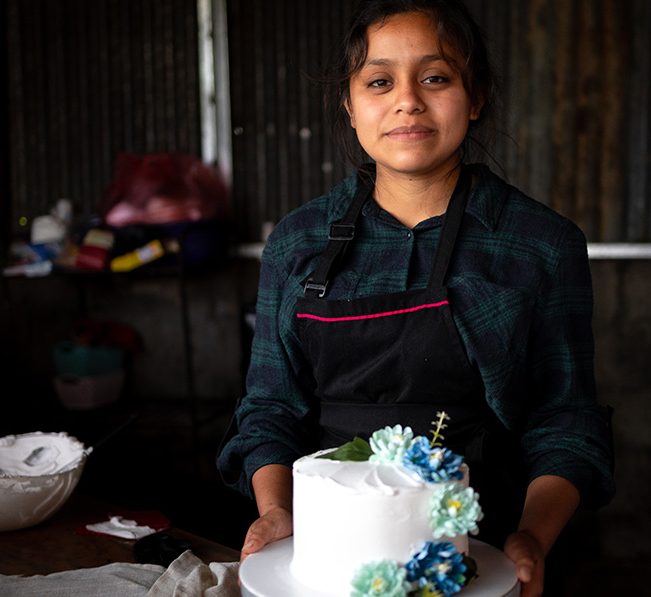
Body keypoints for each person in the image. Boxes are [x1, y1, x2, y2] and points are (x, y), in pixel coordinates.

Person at [216, 1, 615, 594]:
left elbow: (567, 421)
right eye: (380, 81)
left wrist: (531, 537)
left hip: (485, 552)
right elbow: (271, 408)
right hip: (330, 558)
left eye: (435, 77)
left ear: (475, 96)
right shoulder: (298, 241)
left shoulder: (541, 245)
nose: (407, 100)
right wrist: (277, 511)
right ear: (350, 106)